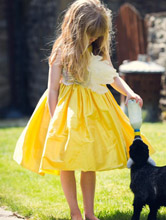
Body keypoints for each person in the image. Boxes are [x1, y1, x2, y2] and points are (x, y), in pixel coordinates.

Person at [13, 0, 155, 220]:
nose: (94, 39)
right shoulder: (62, 49)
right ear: (76, 28)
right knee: (66, 162)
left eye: (98, 35)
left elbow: (112, 76)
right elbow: (52, 89)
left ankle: (89, 212)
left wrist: (129, 92)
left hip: (93, 110)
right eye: (90, 35)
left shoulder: (98, 48)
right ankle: (75, 212)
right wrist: (54, 119)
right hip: (67, 110)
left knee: (89, 161)